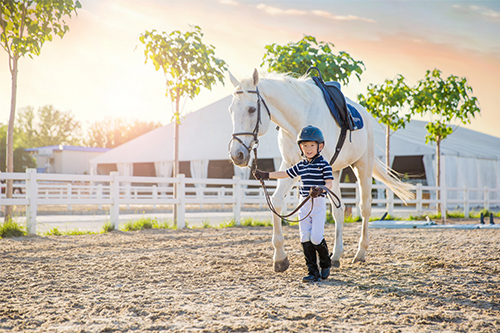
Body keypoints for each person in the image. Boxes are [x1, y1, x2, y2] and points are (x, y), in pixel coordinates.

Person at [254, 125, 334, 282]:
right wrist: (266, 175)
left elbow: (329, 183)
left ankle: (325, 262)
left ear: (320, 146)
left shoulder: (324, 165)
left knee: (316, 238)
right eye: (305, 146)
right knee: (305, 238)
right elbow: (285, 173)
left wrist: (320, 188)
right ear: (300, 147)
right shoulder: (302, 165)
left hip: (317, 204)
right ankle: (312, 272)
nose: (308, 149)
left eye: (312, 145)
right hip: (303, 204)